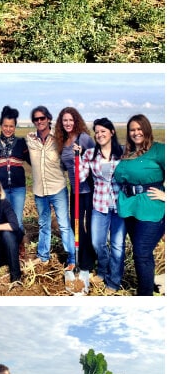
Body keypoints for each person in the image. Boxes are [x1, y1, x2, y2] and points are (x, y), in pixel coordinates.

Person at [113, 114, 165, 296]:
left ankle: (145, 295)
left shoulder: (159, 150)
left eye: (139, 129)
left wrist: (167, 195)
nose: (136, 133)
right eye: (132, 130)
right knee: (142, 252)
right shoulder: (127, 153)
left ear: (147, 129)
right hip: (130, 208)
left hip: (151, 208)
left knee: (141, 252)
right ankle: (149, 285)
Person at [76, 118, 125, 294]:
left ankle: (113, 281)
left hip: (120, 207)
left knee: (117, 245)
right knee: (98, 243)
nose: (99, 135)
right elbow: (80, 177)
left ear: (112, 132)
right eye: (96, 132)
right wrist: (78, 157)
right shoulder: (90, 154)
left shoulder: (123, 153)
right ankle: (103, 271)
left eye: (103, 131)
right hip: (99, 205)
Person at [26, 106, 75, 267]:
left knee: (64, 224)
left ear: (48, 119)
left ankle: (72, 259)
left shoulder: (59, 138)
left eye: (42, 118)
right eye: (36, 119)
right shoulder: (30, 139)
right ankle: (43, 255)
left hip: (58, 188)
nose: (39, 121)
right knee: (44, 223)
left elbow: (70, 156)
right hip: (40, 190)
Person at [54, 107, 95, 272]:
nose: (68, 123)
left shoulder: (83, 138)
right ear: (61, 123)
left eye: (71, 120)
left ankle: (89, 262)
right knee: (75, 224)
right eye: (65, 120)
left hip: (89, 189)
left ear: (76, 121)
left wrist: (83, 152)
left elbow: (96, 156)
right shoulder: (63, 141)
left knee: (89, 225)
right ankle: (82, 258)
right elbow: (64, 166)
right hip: (75, 190)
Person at [0, 106, 30, 240]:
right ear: (0, 126)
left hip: (18, 189)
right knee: (2, 220)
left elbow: (33, 161)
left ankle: (19, 247)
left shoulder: (21, 143)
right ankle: (4, 250)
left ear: (15, 127)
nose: (8, 129)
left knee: (17, 221)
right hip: (0, 190)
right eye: (5, 126)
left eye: (11, 126)